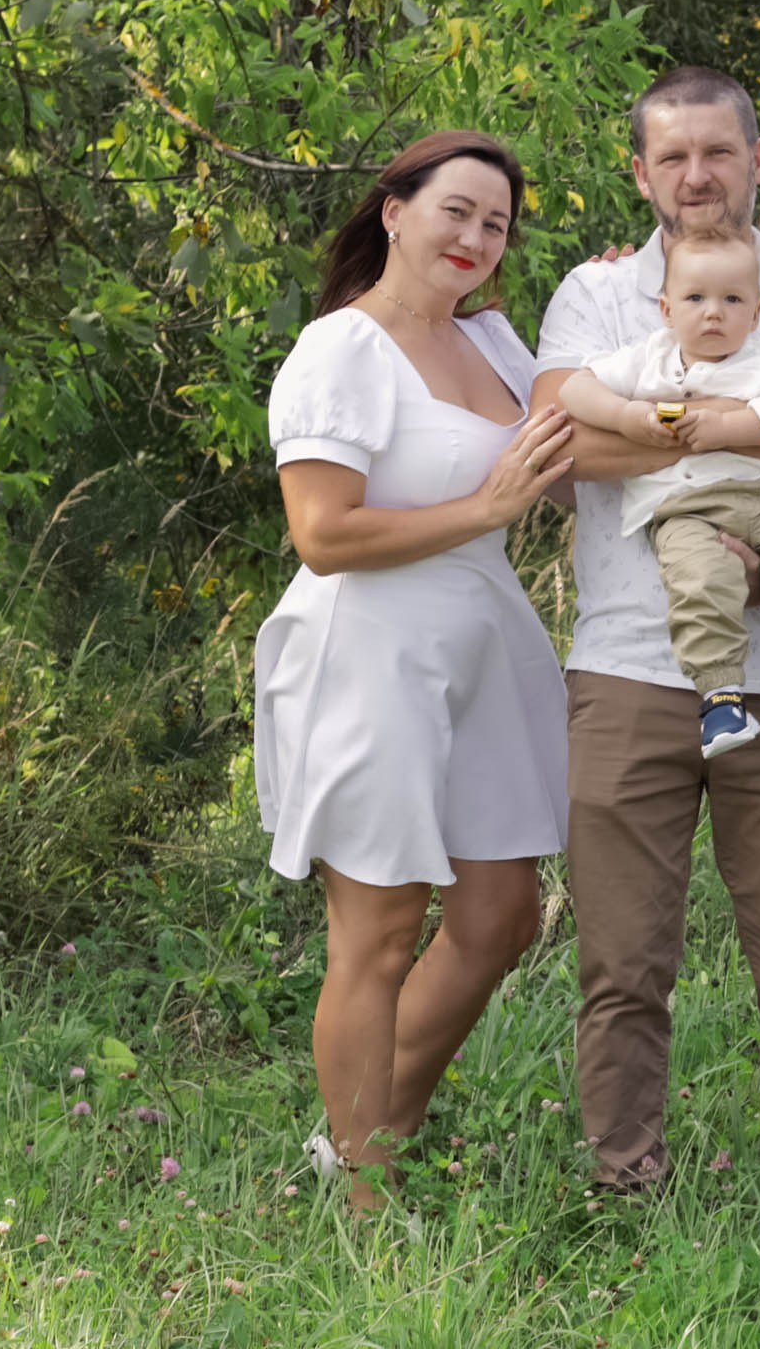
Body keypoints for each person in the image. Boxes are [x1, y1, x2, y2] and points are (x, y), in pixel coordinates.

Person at [531, 67, 760, 1231]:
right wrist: (725, 436)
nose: (697, 175)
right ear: (640, 173)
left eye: (718, 153)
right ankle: (627, 1200)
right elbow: (557, 447)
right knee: (622, 964)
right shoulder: (595, 304)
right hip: (630, 672)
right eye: (672, 157)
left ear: (759, 159)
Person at [253, 130, 575, 1214]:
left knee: (500, 913)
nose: (478, 238)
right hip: (373, 646)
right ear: (395, 210)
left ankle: (370, 1127)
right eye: (458, 211)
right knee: (382, 928)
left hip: (485, 635)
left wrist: (647, 304)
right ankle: (362, 1191)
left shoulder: (498, 347)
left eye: (497, 224)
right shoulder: (341, 349)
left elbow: (586, 441)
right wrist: (485, 508)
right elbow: (324, 533)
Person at [555, 222, 760, 768]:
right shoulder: (647, 361)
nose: (714, 312)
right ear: (666, 309)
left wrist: (721, 429)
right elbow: (573, 390)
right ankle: (721, 697)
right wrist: (628, 416)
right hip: (685, 509)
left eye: (732, 299)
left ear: (755, 314)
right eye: (695, 298)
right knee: (702, 584)